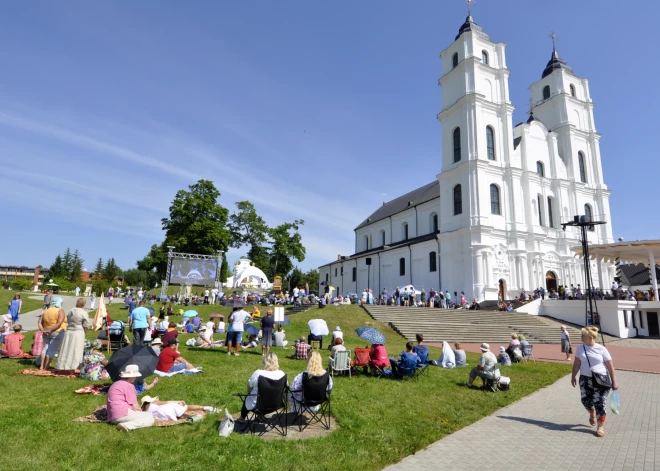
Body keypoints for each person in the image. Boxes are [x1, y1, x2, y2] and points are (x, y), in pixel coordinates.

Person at [571, 326, 618, 437]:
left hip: (601, 379)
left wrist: (614, 381)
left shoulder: (601, 349)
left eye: (583, 335)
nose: (581, 337)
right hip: (585, 379)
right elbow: (577, 363)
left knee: (600, 402)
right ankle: (592, 413)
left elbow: (610, 366)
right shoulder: (580, 348)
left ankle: (600, 427)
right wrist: (573, 376)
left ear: (590, 337)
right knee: (585, 400)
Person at [106, 364, 155, 431]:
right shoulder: (129, 386)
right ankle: (127, 425)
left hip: (111, 416)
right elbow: (134, 405)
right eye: (135, 376)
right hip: (122, 413)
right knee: (149, 417)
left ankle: (125, 423)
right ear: (131, 377)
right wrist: (141, 412)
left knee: (144, 416)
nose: (135, 378)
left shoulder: (115, 384)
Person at [57, 298, 91, 371]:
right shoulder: (83, 313)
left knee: (66, 348)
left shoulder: (70, 311)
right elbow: (86, 325)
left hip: (69, 331)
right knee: (76, 350)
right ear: (84, 304)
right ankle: (74, 367)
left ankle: (62, 365)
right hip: (78, 332)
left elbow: (68, 320)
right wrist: (84, 333)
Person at [39, 297, 67, 370]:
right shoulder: (60, 311)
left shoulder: (46, 311)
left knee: (45, 348)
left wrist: (42, 330)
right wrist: (51, 330)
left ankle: (41, 366)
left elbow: (39, 322)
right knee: (52, 349)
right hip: (56, 332)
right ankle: (46, 366)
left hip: (45, 331)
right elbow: (59, 322)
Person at [140, 395, 216, 420]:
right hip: (166, 408)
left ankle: (195, 417)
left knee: (180, 416)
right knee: (186, 407)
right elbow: (166, 402)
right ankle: (206, 408)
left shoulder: (144, 411)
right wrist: (178, 401)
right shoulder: (154, 402)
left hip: (162, 415)